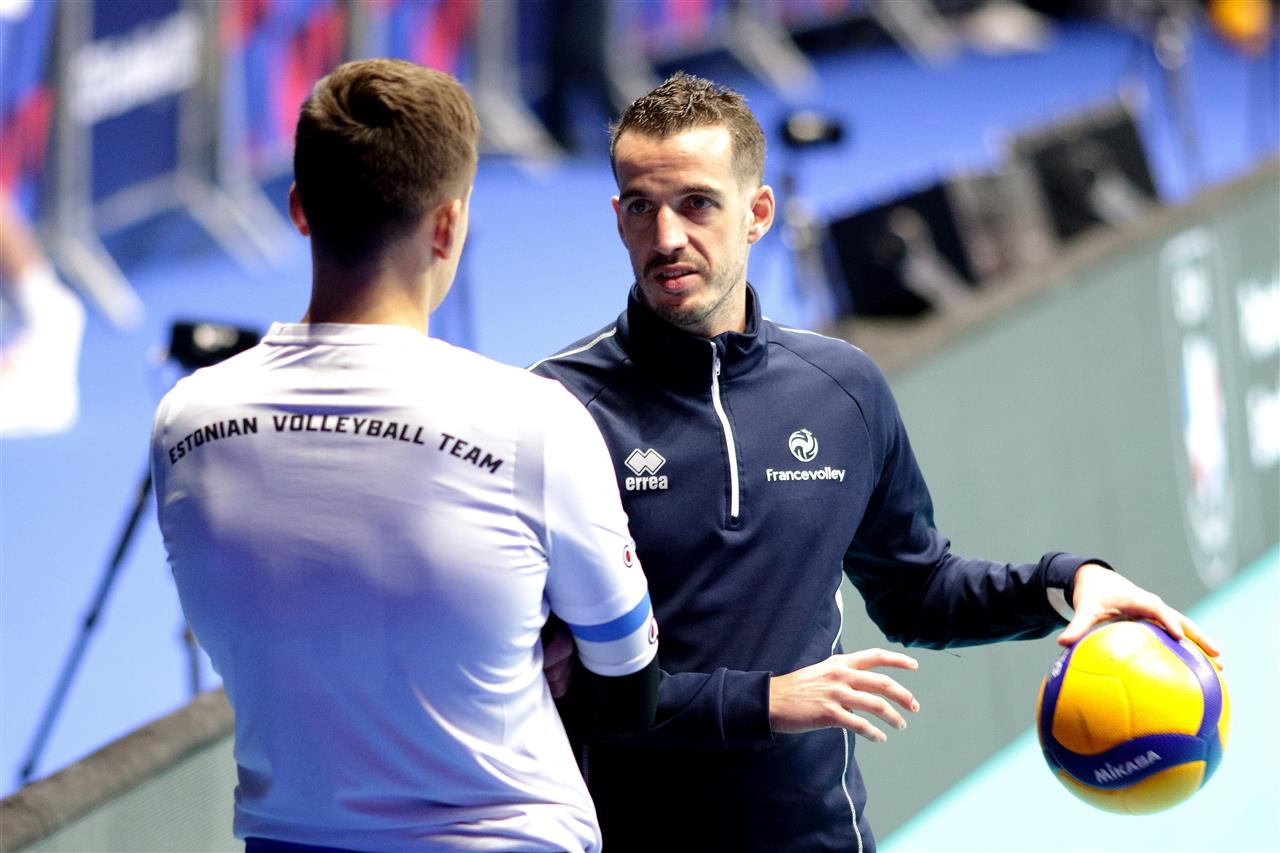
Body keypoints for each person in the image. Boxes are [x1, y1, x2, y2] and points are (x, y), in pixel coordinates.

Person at [531, 72, 1220, 852]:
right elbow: (545, 683)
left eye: (697, 204)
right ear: (616, 217)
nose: (665, 238)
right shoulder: (553, 409)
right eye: (640, 207)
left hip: (821, 835)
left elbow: (918, 591)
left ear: (758, 213)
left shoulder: (841, 389)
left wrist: (1067, 583)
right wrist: (764, 702)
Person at [151, 59, 659, 853]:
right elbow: (627, 684)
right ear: (448, 225)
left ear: (299, 208)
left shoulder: (184, 422)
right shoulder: (534, 423)